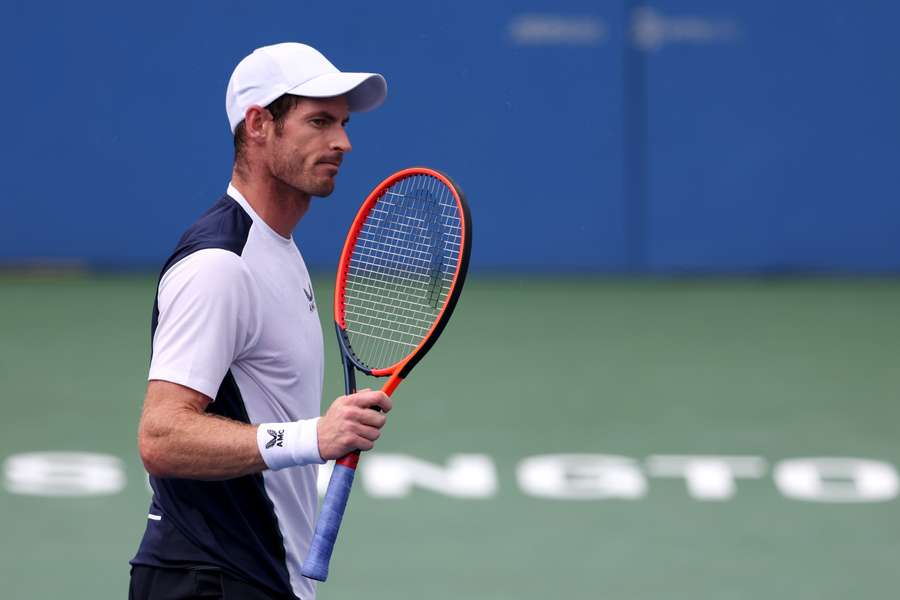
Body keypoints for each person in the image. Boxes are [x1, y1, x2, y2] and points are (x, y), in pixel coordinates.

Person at [129, 42, 392, 600]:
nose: (343, 141)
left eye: (343, 123)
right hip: (211, 577)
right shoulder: (219, 265)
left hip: (256, 576)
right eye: (319, 121)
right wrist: (314, 436)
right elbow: (162, 436)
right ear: (258, 125)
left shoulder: (277, 248)